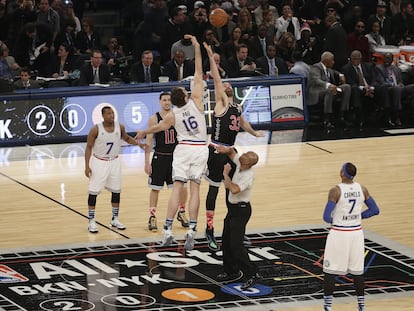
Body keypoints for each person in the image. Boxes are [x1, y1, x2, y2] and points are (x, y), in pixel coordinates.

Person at [136, 35, 208, 251]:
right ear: (185, 95)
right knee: (194, 190)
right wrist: (196, 47)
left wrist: (143, 131)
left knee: (177, 188)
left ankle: (167, 229)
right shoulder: (196, 101)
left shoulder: (172, 115)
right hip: (200, 149)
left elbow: (157, 129)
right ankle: (192, 230)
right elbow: (198, 70)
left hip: (183, 150)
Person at [203, 42, 263, 251]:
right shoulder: (221, 103)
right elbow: (217, 78)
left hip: (231, 151)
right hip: (216, 150)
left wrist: (254, 133)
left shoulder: (236, 107)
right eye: (224, 85)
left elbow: (242, 121)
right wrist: (211, 56)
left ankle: (233, 230)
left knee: (234, 191)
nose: (226, 85)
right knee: (214, 191)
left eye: (229, 85)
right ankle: (209, 230)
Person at [322, 162, 380, 311]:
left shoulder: (335, 190)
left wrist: (340, 220)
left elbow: (326, 217)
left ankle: (328, 307)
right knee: (357, 271)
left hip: (340, 233)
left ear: (342, 173)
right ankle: (361, 306)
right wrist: (358, 216)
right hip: (356, 233)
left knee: (330, 270)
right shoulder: (362, 189)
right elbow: (375, 210)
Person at [84, 106, 142, 233]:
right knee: (93, 192)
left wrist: (138, 143)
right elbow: (88, 147)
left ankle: (115, 218)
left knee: (116, 191)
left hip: (115, 161)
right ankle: (91, 221)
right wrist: (87, 166)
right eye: (109, 114)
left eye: (113, 113)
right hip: (99, 162)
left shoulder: (119, 127)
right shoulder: (95, 129)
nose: (112, 115)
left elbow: (126, 138)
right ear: (103, 116)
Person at [215, 144, 262, 290]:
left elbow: (234, 189)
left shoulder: (248, 175)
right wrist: (225, 149)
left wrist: (225, 175)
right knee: (226, 241)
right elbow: (232, 152)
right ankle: (231, 271)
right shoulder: (240, 163)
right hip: (233, 210)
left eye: (246, 155)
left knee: (236, 245)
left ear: (247, 162)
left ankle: (252, 274)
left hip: (241, 212)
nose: (243, 154)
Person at [144, 91, 189, 232]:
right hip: (160, 156)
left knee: (182, 187)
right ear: (160, 102)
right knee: (155, 188)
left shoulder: (177, 116)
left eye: (169, 100)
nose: (167, 102)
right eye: (164, 100)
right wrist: (146, 162)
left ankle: (182, 212)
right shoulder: (154, 118)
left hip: (176, 157)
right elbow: (149, 141)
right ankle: (152, 216)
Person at [307, 52, 351, 130]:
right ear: (326, 61)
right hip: (318, 91)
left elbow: (334, 72)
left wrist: (341, 75)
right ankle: (327, 119)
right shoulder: (315, 67)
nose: (334, 62)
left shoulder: (329, 69)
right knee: (330, 90)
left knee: (347, 87)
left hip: (330, 89)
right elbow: (316, 80)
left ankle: (342, 115)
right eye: (332, 60)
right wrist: (329, 85)